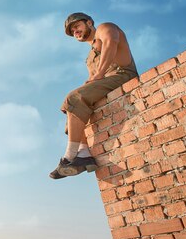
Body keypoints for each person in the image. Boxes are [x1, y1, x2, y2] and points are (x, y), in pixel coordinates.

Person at [50, 12, 138, 179]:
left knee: (73, 98)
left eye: (77, 26)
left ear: (89, 23)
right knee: (71, 111)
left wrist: (99, 74)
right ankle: (83, 154)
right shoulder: (89, 58)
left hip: (122, 75)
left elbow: (112, 42)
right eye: (72, 31)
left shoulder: (105, 28)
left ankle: (68, 157)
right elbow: (93, 81)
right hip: (107, 83)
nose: (75, 31)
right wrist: (92, 81)